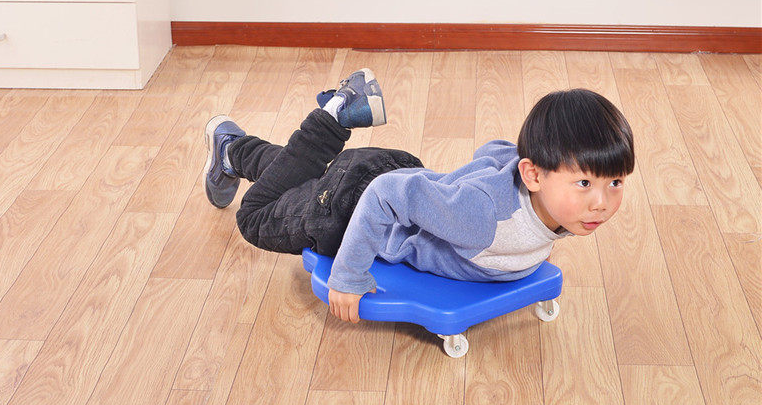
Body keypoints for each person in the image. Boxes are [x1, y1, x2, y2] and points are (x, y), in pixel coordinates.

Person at [203, 68, 634, 324]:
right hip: (349, 207)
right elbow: (384, 194)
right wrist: (349, 276)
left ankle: (234, 150)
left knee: (298, 182)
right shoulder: (481, 218)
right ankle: (331, 119)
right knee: (255, 217)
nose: (601, 202)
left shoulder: (550, 197)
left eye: (614, 182)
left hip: (398, 174)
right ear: (532, 174)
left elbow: (495, 152)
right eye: (584, 184)